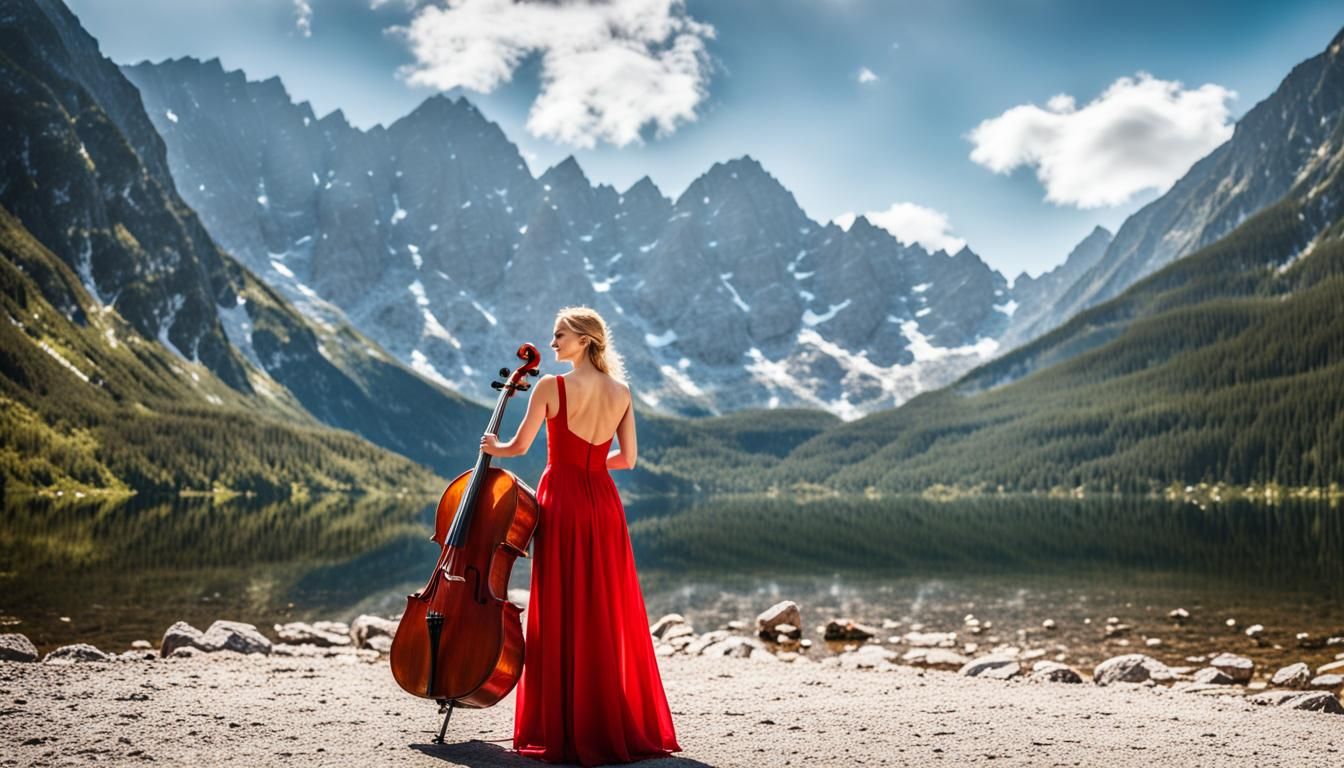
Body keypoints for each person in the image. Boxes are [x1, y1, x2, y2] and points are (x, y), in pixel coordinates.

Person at [480, 306, 681, 766]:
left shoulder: (551, 387)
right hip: (605, 504)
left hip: (564, 501)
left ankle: (564, 724)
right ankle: (608, 718)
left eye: (559, 336)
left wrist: (494, 447)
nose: (551, 344)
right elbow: (627, 460)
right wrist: (590, 464)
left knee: (560, 607)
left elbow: (520, 447)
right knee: (604, 607)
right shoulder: (622, 392)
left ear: (585, 340)